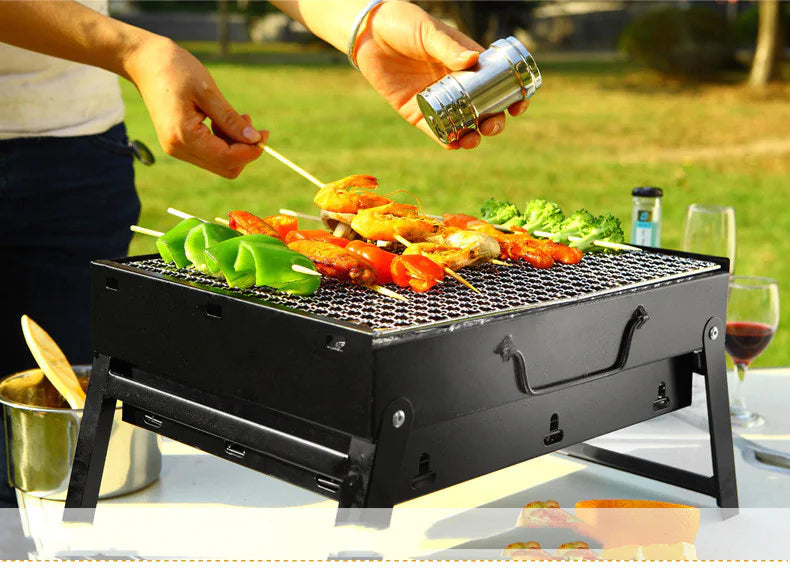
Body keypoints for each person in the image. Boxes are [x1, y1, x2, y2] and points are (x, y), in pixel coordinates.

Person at [0, 0, 530, 510]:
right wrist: (134, 51)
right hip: (77, 126)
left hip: (76, 149)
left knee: (67, 457)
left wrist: (362, 21)